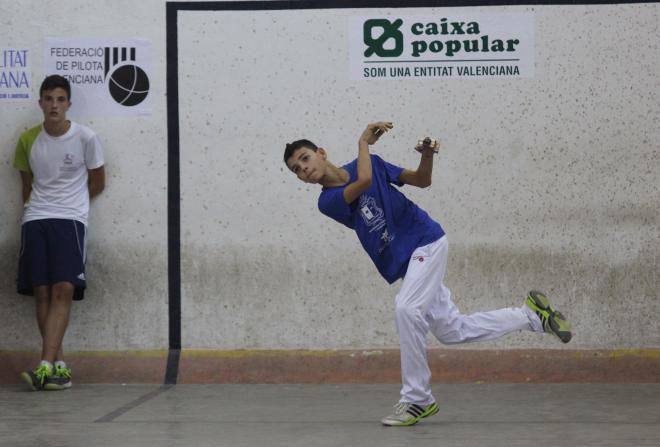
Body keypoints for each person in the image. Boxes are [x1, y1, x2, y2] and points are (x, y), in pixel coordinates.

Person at [283, 121, 571, 426]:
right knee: (451, 330)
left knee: (406, 309)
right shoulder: (326, 202)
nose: (303, 169)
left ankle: (417, 400)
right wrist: (364, 142)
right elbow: (364, 181)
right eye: (296, 170)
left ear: (321, 153)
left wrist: (427, 155)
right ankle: (531, 316)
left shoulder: (372, 163)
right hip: (409, 263)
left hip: (426, 241)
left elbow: (422, 180)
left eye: (304, 158)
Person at [14, 74, 105, 391]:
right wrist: (33, 212)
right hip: (36, 220)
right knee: (41, 291)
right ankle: (60, 368)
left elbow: (98, 182)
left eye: (60, 99)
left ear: (68, 104)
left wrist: (72, 204)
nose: (54, 105)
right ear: (40, 103)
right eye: (49, 99)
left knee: (63, 289)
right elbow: (26, 187)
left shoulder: (86, 137)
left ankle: (42, 367)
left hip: (70, 221)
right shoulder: (27, 139)